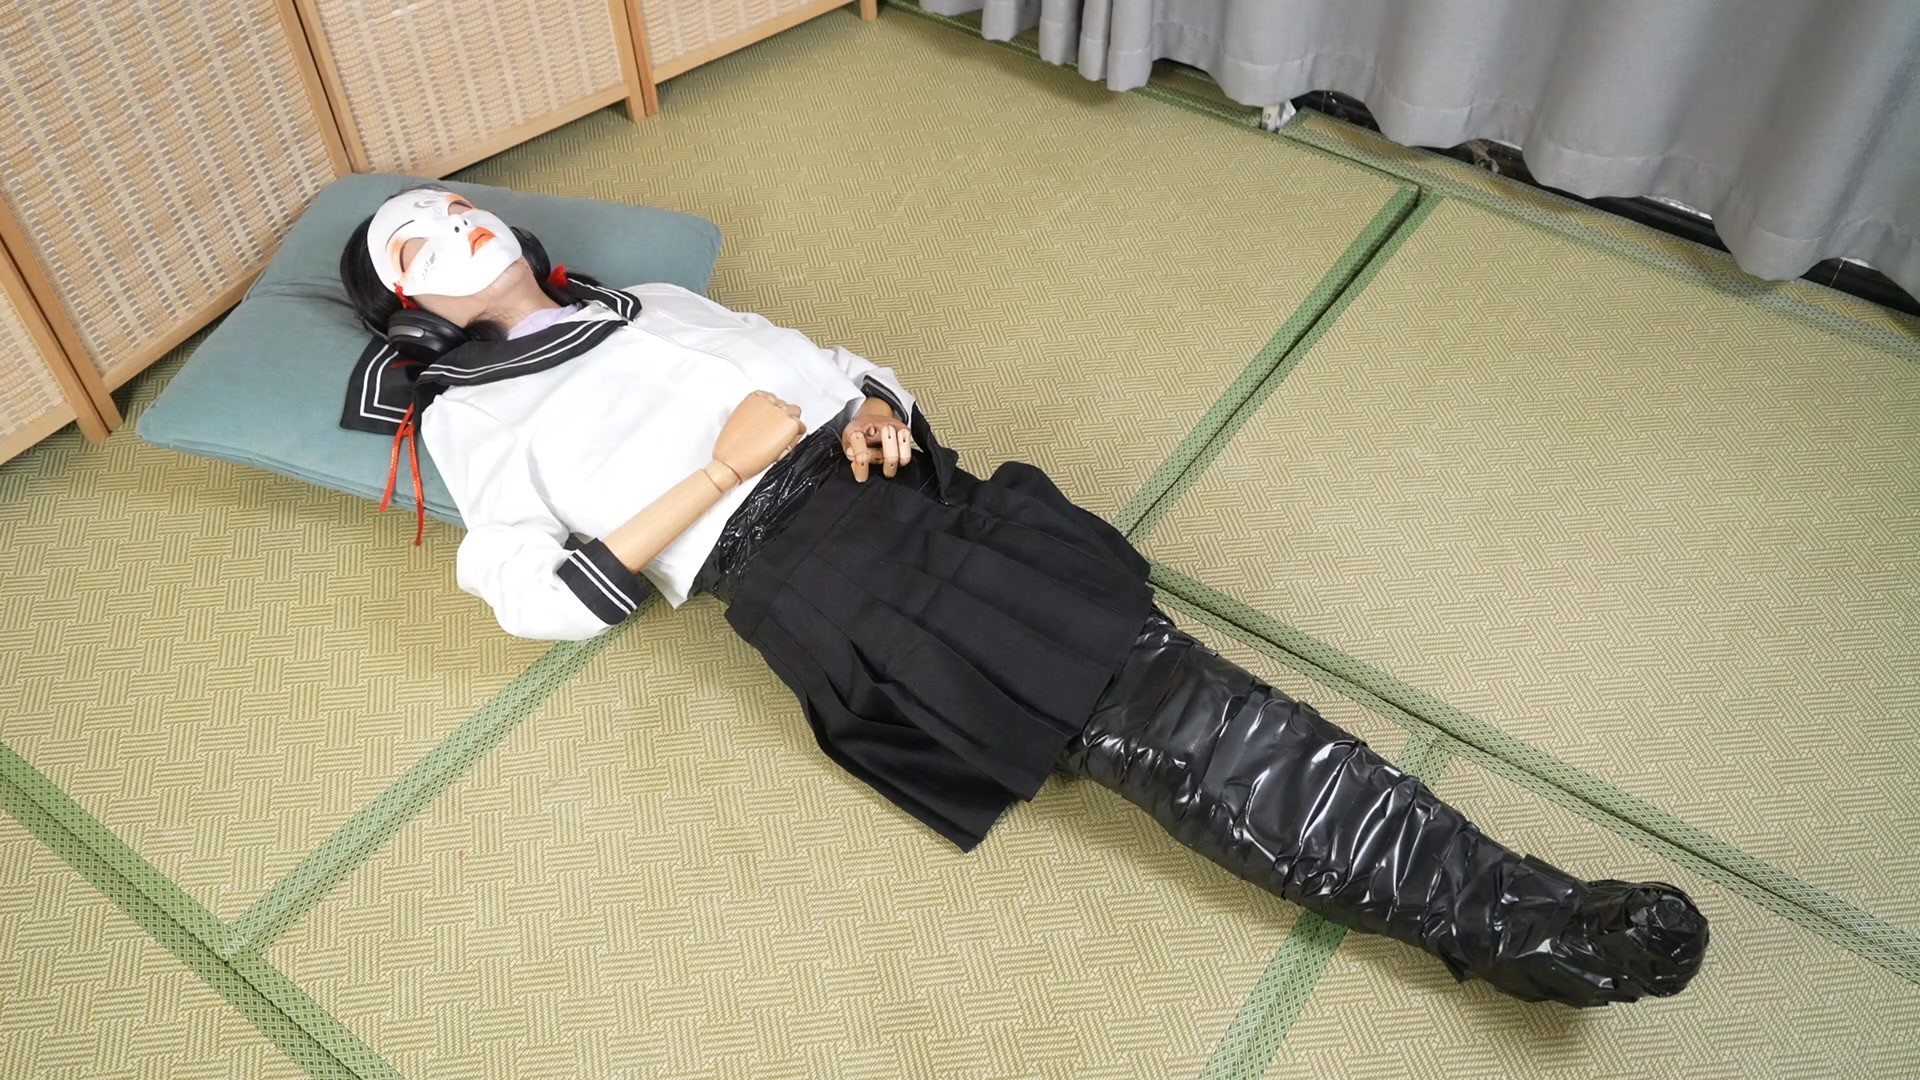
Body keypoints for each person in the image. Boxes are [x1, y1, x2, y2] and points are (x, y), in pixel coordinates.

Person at [337, 185, 1708, 1008]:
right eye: (418, 237)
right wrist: (717, 473)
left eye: (456, 204)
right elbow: (536, 596)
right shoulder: (467, 417)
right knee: (1169, 719)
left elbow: (817, 359)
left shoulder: (644, 294)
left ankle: (1520, 914)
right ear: (406, 306)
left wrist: (873, 409)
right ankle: (1523, 925)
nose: (454, 220)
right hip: (806, 566)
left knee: (1174, 685)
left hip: (902, 492)